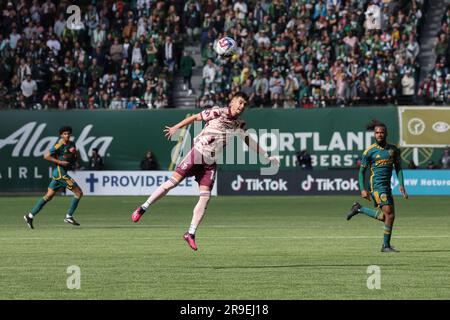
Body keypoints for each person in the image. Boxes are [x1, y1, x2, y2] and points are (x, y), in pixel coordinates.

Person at [130, 92, 279, 251]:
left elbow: (249, 141)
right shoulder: (217, 112)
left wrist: (266, 156)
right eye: (240, 103)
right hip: (198, 153)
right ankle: (143, 207)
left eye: (244, 105)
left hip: (210, 162)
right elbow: (194, 118)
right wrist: (176, 127)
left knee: (205, 198)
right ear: (232, 101)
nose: (242, 107)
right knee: (172, 183)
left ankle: (190, 233)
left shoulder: (239, 124)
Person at [346, 119, 408, 253]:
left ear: (386, 133)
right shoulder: (369, 152)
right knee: (390, 215)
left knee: (386, 216)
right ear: (374, 134)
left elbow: (398, 168)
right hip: (376, 186)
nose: (379, 134)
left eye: (381, 132)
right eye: (377, 133)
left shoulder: (393, 150)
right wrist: (363, 189)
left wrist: (401, 184)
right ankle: (385, 246)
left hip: (387, 186)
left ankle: (359, 209)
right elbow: (362, 172)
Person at [24, 126, 83, 229]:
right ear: (61, 135)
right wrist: (60, 162)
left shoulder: (72, 144)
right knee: (78, 193)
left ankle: (29, 216)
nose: (67, 135)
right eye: (64, 133)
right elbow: (46, 156)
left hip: (59, 173)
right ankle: (68, 216)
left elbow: (72, 155)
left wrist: (74, 159)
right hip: (60, 173)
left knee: (49, 196)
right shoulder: (58, 145)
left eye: (68, 133)